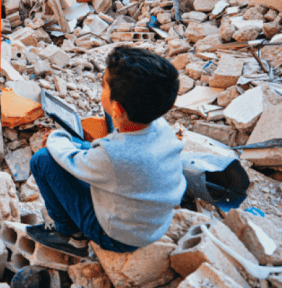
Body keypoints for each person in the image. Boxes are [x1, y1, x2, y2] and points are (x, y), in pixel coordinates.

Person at [27, 46, 186, 256]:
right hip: (154, 223)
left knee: (42, 160)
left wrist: (57, 137)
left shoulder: (113, 155)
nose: (100, 88)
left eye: (103, 84)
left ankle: (70, 236)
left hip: (118, 236)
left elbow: (72, 159)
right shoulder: (161, 126)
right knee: (83, 144)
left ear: (118, 110)